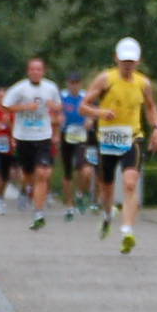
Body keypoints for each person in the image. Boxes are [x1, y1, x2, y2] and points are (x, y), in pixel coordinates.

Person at [80, 38, 157, 253]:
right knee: (107, 188)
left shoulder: (143, 83)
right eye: (124, 60)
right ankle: (108, 215)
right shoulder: (105, 79)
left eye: (132, 61)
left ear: (138, 61)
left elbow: (151, 108)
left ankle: (127, 231)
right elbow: (83, 107)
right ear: (116, 58)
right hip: (107, 139)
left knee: (130, 183)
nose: (128, 65)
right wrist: (100, 113)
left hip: (132, 137)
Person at [2, 57, 63, 230]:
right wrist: (24, 108)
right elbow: (5, 106)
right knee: (27, 174)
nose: (36, 72)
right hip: (23, 136)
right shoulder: (20, 88)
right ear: (28, 71)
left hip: (43, 136)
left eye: (39, 69)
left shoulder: (50, 87)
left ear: (43, 72)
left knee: (43, 174)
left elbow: (59, 108)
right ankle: (24, 189)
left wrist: (53, 107)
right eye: (33, 69)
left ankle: (38, 212)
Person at [58, 71, 94, 220]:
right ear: (68, 84)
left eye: (77, 83)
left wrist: (90, 120)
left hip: (81, 136)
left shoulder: (85, 97)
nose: (74, 86)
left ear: (80, 84)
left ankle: (81, 192)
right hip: (66, 135)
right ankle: (69, 205)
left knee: (85, 170)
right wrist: (58, 118)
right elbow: (55, 111)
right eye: (72, 83)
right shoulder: (62, 97)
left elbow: (92, 112)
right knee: (67, 172)